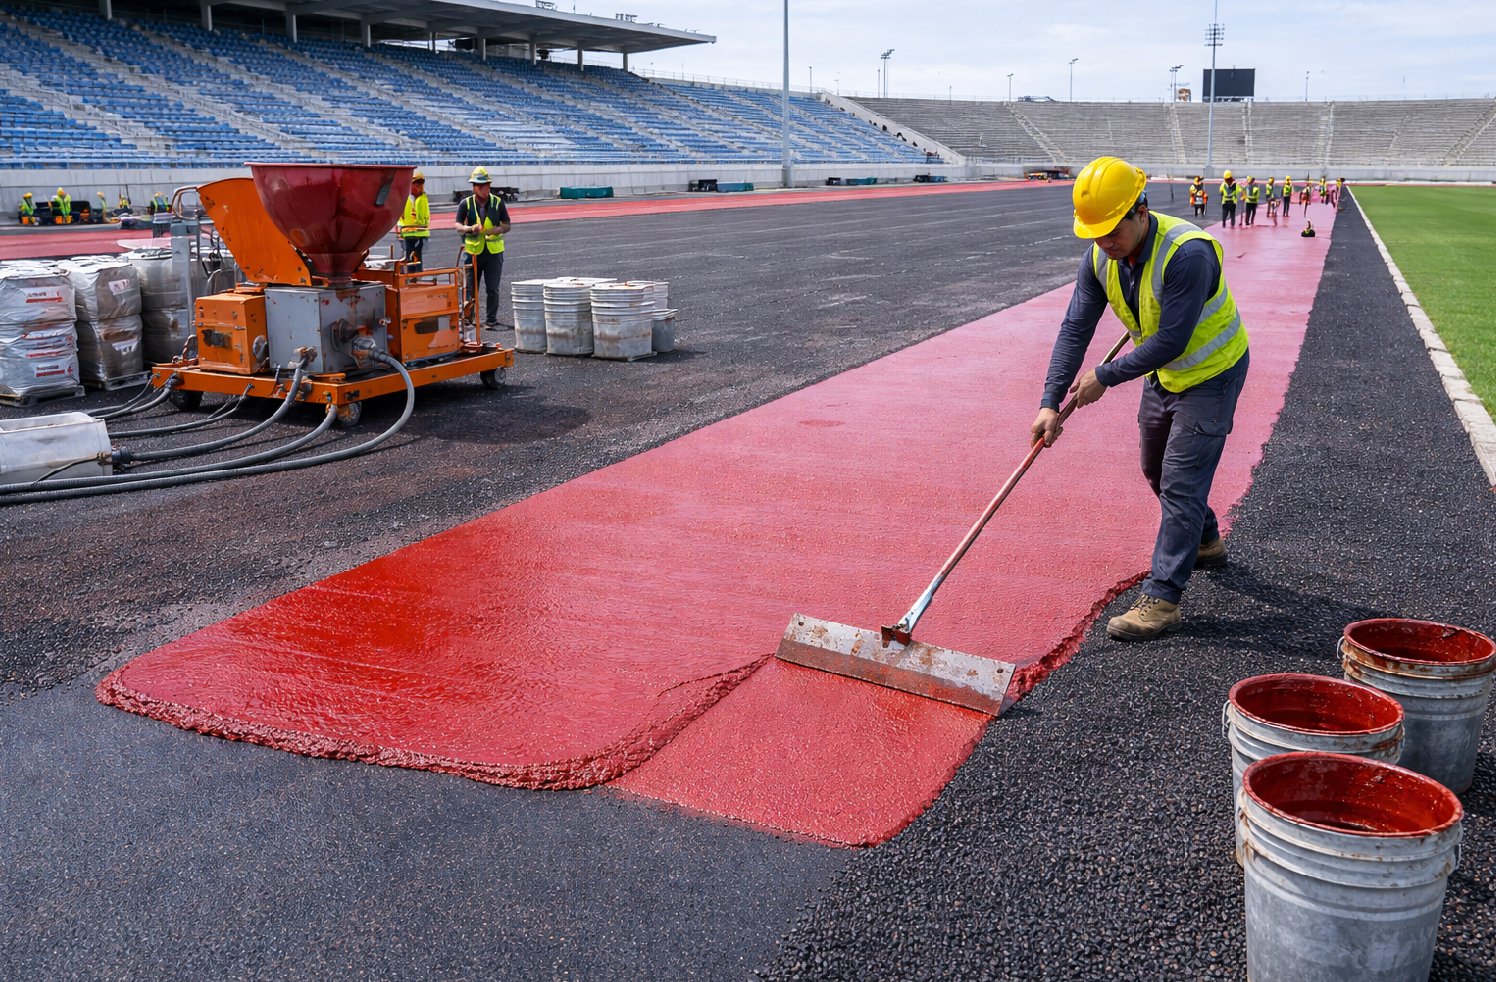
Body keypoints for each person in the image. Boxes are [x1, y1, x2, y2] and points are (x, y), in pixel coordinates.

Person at [1033, 156, 1249, 640]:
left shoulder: (1187, 254)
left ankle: (1163, 597)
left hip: (1211, 374)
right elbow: (1075, 328)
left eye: (1112, 230)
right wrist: (1050, 401)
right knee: (1156, 469)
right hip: (1164, 375)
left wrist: (1104, 377)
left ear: (1140, 211)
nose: (1104, 242)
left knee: (1179, 481)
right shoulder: (1098, 257)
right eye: (1094, 233)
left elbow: (1171, 339)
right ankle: (1206, 540)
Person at [455, 166, 511, 329]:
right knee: (470, 288)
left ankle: (491, 319)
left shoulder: (498, 202)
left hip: (494, 253)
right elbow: (458, 224)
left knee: (493, 288)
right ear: (474, 187)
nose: (484, 189)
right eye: (480, 186)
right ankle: (468, 318)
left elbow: (507, 224)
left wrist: (498, 229)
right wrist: (468, 229)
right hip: (472, 252)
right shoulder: (466, 204)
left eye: (486, 185)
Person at [397, 170, 430, 271]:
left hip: (419, 234)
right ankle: (411, 279)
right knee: (409, 259)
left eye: (420, 184)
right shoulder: (405, 198)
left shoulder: (422, 198)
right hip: (407, 234)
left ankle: (417, 278)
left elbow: (424, 216)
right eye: (415, 184)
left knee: (417, 258)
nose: (418, 186)